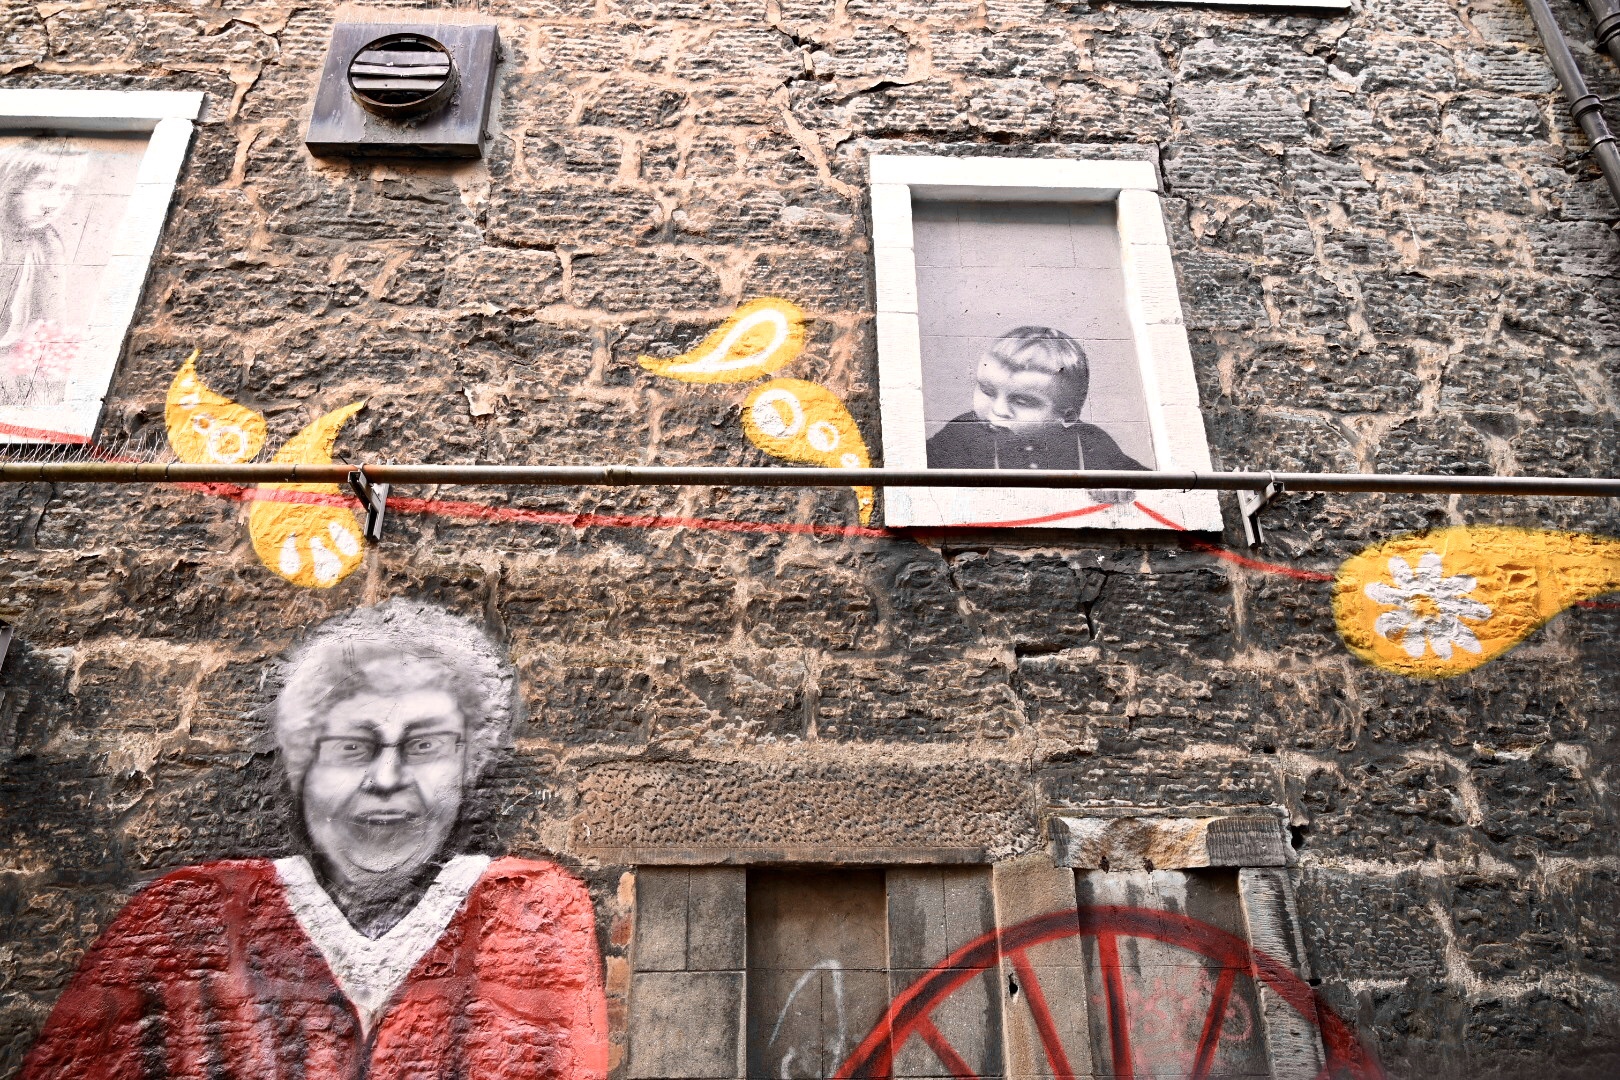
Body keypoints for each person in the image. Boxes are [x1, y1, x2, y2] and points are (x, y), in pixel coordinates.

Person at [19, 600, 610, 1080]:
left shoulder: (531, 911)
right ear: (303, 769)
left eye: (425, 745)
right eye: (352, 747)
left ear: (468, 765)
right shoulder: (184, 915)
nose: (386, 779)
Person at [925, 325, 1148, 474]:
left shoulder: (1090, 443)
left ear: (1068, 416)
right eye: (987, 391)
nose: (999, 410)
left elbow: (1144, 482)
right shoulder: (961, 434)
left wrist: (1120, 487)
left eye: (1022, 401)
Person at [0, 138, 89, 409]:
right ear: (10, 183)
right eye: (44, 186)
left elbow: (50, 322)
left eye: (65, 191)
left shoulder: (47, 243)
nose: (53, 204)